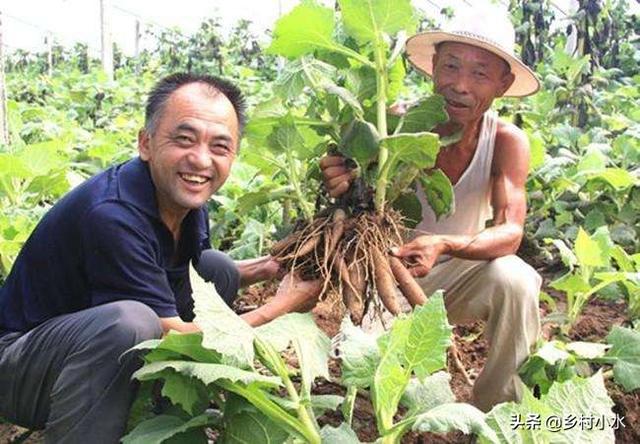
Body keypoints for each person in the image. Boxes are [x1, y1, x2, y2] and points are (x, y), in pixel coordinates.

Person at [0, 73, 321, 443]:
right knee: (131, 324)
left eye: (219, 147)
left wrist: (269, 267)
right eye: (184, 140)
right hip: (20, 370)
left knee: (215, 270)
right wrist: (280, 306)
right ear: (146, 143)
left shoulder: (182, 197)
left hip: (76, 351)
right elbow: (176, 334)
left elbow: (170, 272)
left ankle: (163, 414)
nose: (201, 160)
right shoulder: (112, 214)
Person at [321, 9, 542, 411]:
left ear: (503, 83)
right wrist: (341, 180)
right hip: (386, 274)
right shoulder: (390, 125)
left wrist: (444, 244)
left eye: (479, 73)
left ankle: (498, 412)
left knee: (518, 279)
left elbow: (511, 232)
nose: (459, 85)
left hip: (458, 272)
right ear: (433, 66)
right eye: (451, 66)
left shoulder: (507, 141)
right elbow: (349, 189)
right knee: (367, 369)